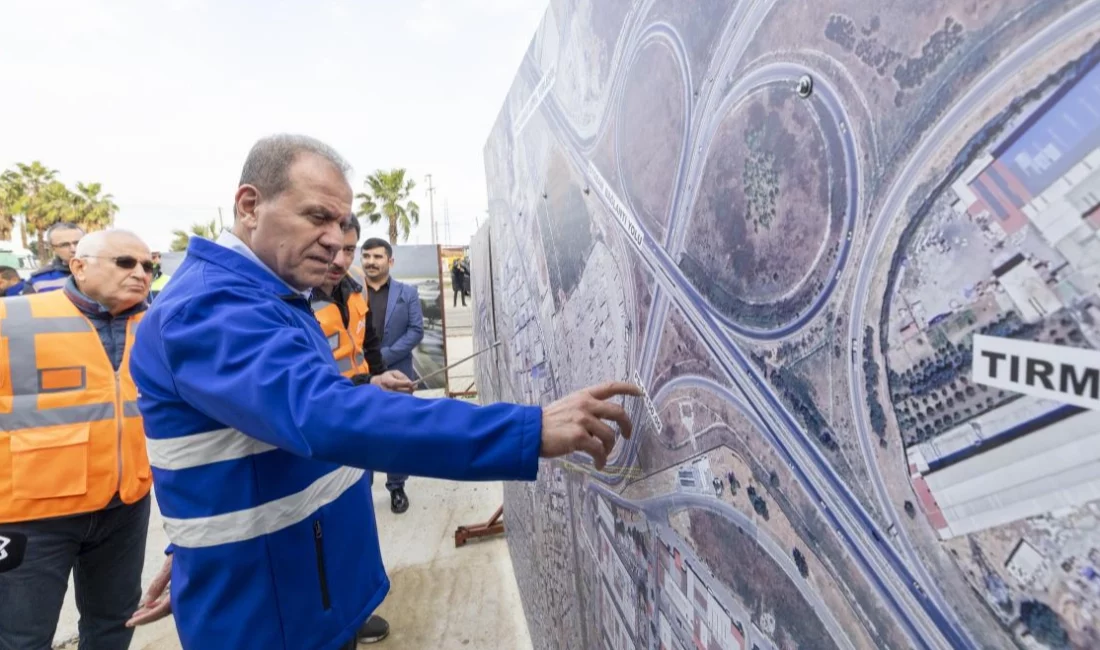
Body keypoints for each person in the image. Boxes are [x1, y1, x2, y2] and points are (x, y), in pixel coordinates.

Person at [125, 134, 639, 650]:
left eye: (341, 223)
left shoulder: (270, 294)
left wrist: (195, 545)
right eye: (316, 217)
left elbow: (252, 432)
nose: (334, 239)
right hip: (271, 619)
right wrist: (528, 430)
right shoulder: (208, 309)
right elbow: (321, 414)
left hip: (296, 594)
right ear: (250, 205)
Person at [0, 230, 155, 650]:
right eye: (125, 262)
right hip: (30, 515)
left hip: (124, 505)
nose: (140, 273)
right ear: (79, 266)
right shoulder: (11, 318)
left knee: (115, 625)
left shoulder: (159, 325)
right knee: (21, 638)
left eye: (148, 266)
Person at [311, 216, 411, 644]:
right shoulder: (295, 298)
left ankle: (357, 610)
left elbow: (368, 346)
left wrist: (377, 383)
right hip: (321, 426)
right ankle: (331, 621)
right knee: (323, 529)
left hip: (358, 415)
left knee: (356, 519)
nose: (343, 258)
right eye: (335, 248)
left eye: (350, 249)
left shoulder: (354, 293)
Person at [360, 237, 422, 513]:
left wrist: (381, 358)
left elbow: (415, 331)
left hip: (398, 373)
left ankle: (396, 486)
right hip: (360, 377)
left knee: (397, 431)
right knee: (364, 432)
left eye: (377, 257)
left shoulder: (407, 293)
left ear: (390, 261)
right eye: (366, 256)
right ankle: (363, 488)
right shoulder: (350, 293)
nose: (371, 262)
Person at [28, 222, 84, 293]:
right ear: (52, 248)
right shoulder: (38, 281)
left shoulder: (101, 271)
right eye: (64, 245)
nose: (73, 249)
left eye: (77, 243)